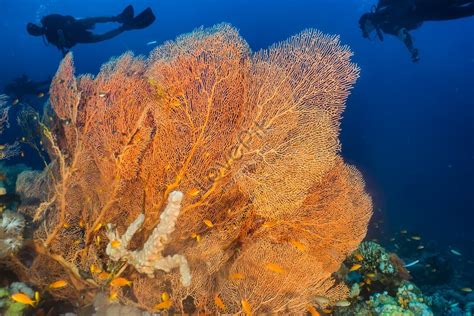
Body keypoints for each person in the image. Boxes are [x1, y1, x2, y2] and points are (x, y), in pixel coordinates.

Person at [359, 0, 474, 62]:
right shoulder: (385, 28)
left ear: (367, 22)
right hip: (426, 15)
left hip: (424, 3)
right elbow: (402, 34)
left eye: (366, 30)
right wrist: (411, 49)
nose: (369, 32)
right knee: (462, 12)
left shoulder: (382, 4)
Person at [27, 5, 155, 55]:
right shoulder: (49, 39)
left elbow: (63, 17)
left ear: (37, 24)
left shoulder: (48, 19)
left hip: (74, 25)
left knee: (91, 20)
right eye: (36, 33)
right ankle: (124, 28)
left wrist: (65, 26)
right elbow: (66, 46)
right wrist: (61, 37)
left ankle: (118, 18)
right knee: (100, 37)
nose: (39, 31)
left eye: (36, 28)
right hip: (76, 37)